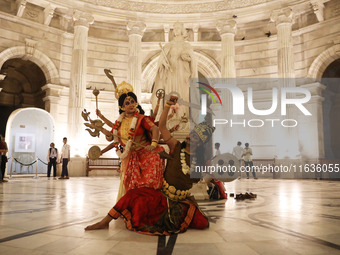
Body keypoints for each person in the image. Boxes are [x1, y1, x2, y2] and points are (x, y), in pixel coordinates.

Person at [85, 96, 215, 235]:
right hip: (162, 195)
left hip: (182, 200)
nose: (191, 135)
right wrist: (166, 106)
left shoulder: (201, 162)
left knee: (203, 223)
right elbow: (162, 127)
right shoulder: (176, 146)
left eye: (196, 136)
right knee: (132, 196)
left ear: (201, 143)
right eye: (192, 133)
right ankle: (105, 222)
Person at [96, 81, 165, 200]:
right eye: (127, 103)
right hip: (128, 157)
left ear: (137, 103)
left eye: (133, 101)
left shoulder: (141, 119)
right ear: (122, 107)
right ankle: (129, 207)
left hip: (144, 154)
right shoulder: (119, 122)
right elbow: (112, 138)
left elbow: (154, 128)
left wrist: (153, 144)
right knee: (129, 185)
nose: (131, 104)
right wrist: (102, 127)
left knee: (154, 161)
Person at [152, 22, 196, 119]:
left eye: (178, 28)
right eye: (174, 28)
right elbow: (162, 59)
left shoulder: (186, 45)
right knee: (170, 92)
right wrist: (164, 64)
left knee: (182, 94)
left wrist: (186, 58)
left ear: (182, 30)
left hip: (182, 72)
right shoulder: (169, 45)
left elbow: (192, 60)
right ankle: (169, 116)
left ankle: (182, 116)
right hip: (170, 73)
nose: (176, 30)